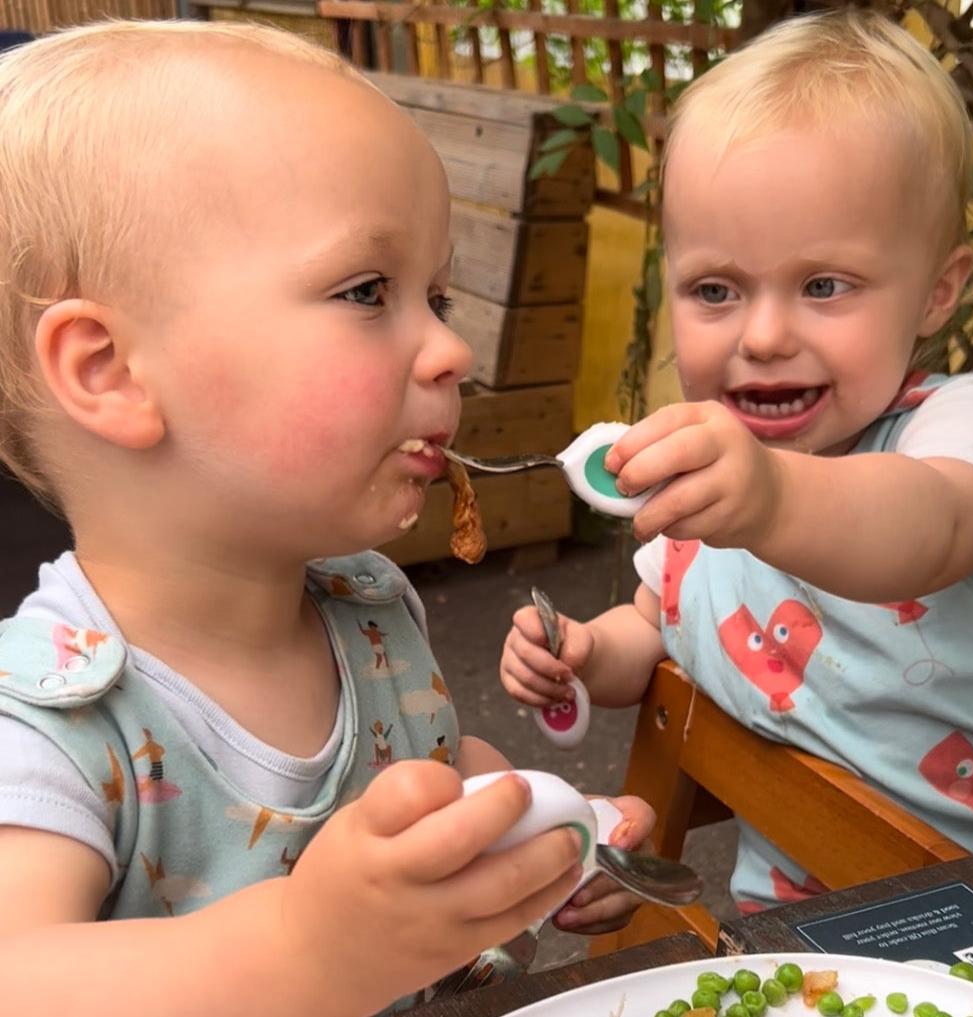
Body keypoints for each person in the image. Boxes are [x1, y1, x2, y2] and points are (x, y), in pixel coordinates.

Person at [0, 20, 654, 1016]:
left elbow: (429, 765)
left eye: (434, 297)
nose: (452, 350)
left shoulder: (369, 604)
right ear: (114, 372)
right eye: (366, 291)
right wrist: (309, 952)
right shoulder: (45, 727)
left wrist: (530, 832)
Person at [501, 9, 973, 913]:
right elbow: (655, 625)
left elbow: (936, 526)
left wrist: (770, 495)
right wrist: (584, 654)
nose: (764, 335)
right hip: (785, 924)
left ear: (936, 292)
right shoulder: (706, 479)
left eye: (823, 285)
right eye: (715, 290)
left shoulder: (963, 426)